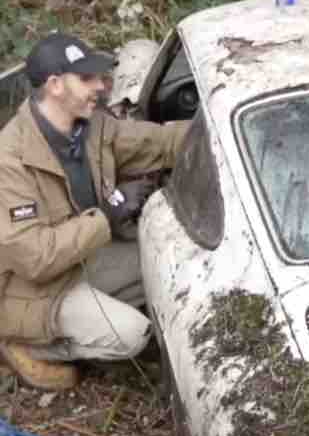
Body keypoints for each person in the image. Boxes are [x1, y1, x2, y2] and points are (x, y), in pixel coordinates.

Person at [0, 33, 190, 391]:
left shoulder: (88, 127)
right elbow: (34, 259)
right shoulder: (9, 160)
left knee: (175, 261)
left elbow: (156, 144)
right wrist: (106, 215)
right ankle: (26, 346)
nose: (102, 87)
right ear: (55, 85)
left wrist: (211, 129)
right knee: (132, 335)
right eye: (87, 78)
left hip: (84, 257)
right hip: (30, 288)